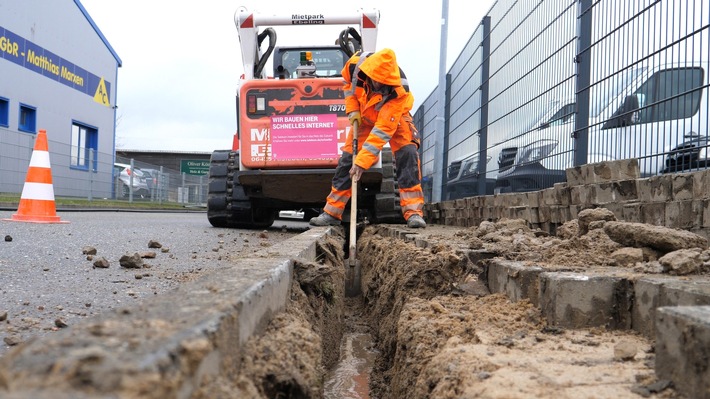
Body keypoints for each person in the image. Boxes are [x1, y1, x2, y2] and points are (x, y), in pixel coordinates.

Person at [310, 48, 426, 228]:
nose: (378, 85)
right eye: (376, 81)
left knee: (408, 154)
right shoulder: (354, 66)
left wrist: (362, 163)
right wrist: (353, 110)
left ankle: (414, 213)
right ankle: (332, 212)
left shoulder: (398, 93)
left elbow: (382, 131)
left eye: (383, 83)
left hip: (395, 118)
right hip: (364, 116)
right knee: (347, 160)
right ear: (370, 72)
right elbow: (348, 86)